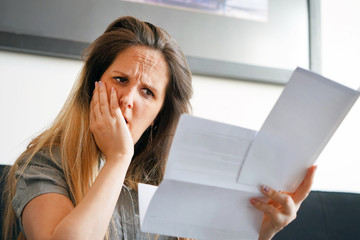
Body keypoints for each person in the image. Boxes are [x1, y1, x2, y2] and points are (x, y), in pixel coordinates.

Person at [2, 16, 316, 240]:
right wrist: (118, 157)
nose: (127, 99)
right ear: (92, 89)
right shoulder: (44, 165)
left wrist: (262, 233)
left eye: (148, 92)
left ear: (159, 115)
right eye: (120, 80)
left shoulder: (170, 183)